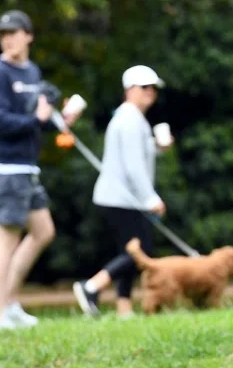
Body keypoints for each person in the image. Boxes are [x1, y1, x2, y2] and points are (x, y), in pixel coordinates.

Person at [0, 10, 81, 330]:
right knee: (6, 239)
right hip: (7, 169)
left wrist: (59, 121)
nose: (9, 39)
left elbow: (35, 122)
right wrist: (37, 120)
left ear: (29, 36)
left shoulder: (32, 72)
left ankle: (10, 303)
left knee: (43, 231)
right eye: (3, 34)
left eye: (14, 32)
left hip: (27, 167)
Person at [72, 65, 171, 319]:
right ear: (130, 90)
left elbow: (138, 153)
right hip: (122, 198)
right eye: (144, 88)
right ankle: (92, 286)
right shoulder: (128, 119)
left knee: (129, 251)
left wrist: (157, 147)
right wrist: (151, 198)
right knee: (139, 252)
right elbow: (133, 166)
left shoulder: (132, 118)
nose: (150, 93)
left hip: (122, 198)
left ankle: (124, 308)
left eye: (153, 88)